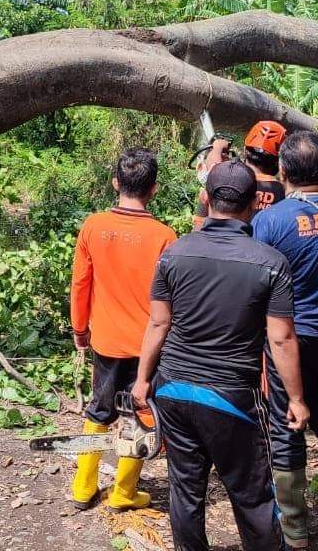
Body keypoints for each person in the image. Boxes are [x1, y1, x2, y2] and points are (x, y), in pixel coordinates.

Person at [131, 159, 310, 550]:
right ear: (255, 205)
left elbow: (158, 324)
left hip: (173, 389)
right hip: (232, 398)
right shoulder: (270, 263)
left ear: (206, 199)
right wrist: (296, 399)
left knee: (185, 492)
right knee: (252, 496)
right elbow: (280, 340)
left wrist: (143, 380)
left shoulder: (174, 254)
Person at [70, 149, 176, 511]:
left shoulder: (93, 225)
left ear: (116, 182)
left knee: (97, 414)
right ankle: (124, 493)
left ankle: (84, 488)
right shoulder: (164, 236)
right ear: (155, 189)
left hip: (106, 341)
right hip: (148, 346)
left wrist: (79, 329)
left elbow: (80, 284)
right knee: (140, 413)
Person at [252, 130, 318, 549]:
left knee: (287, 425)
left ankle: (295, 529)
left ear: (282, 170)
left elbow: (254, 285)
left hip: (290, 340)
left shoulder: (270, 221)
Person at [193, 120, 287, 230]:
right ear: (278, 162)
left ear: (245, 150)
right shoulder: (284, 192)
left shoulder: (228, 180)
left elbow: (213, 168)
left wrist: (217, 148)